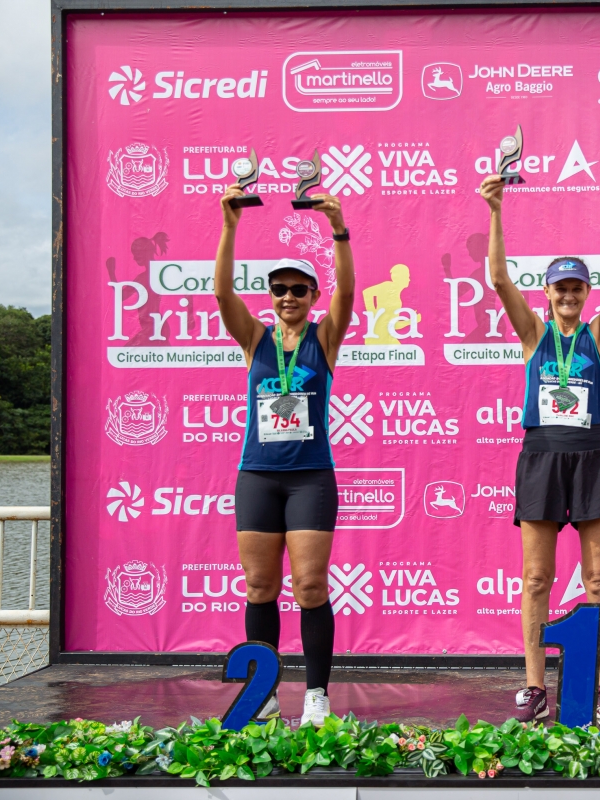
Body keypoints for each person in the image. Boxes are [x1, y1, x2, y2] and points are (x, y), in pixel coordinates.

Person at [479, 172, 600, 725]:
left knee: (599, 580)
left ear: (586, 294)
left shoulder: (599, 334)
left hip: (593, 455)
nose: (570, 296)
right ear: (548, 293)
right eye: (561, 288)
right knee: (537, 579)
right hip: (542, 456)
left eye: (577, 288)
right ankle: (534, 687)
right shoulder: (533, 334)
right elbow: (499, 278)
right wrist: (495, 210)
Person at [214, 183, 355, 728]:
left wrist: (338, 230)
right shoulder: (256, 339)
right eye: (279, 289)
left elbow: (349, 290)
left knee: (311, 587)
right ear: (270, 295)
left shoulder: (325, 337)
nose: (288, 297)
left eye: (298, 288)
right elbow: (222, 294)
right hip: (258, 476)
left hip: (310, 478)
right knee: (259, 587)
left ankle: (316, 694)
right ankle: (265, 695)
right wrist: (230, 226)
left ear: (313, 295)